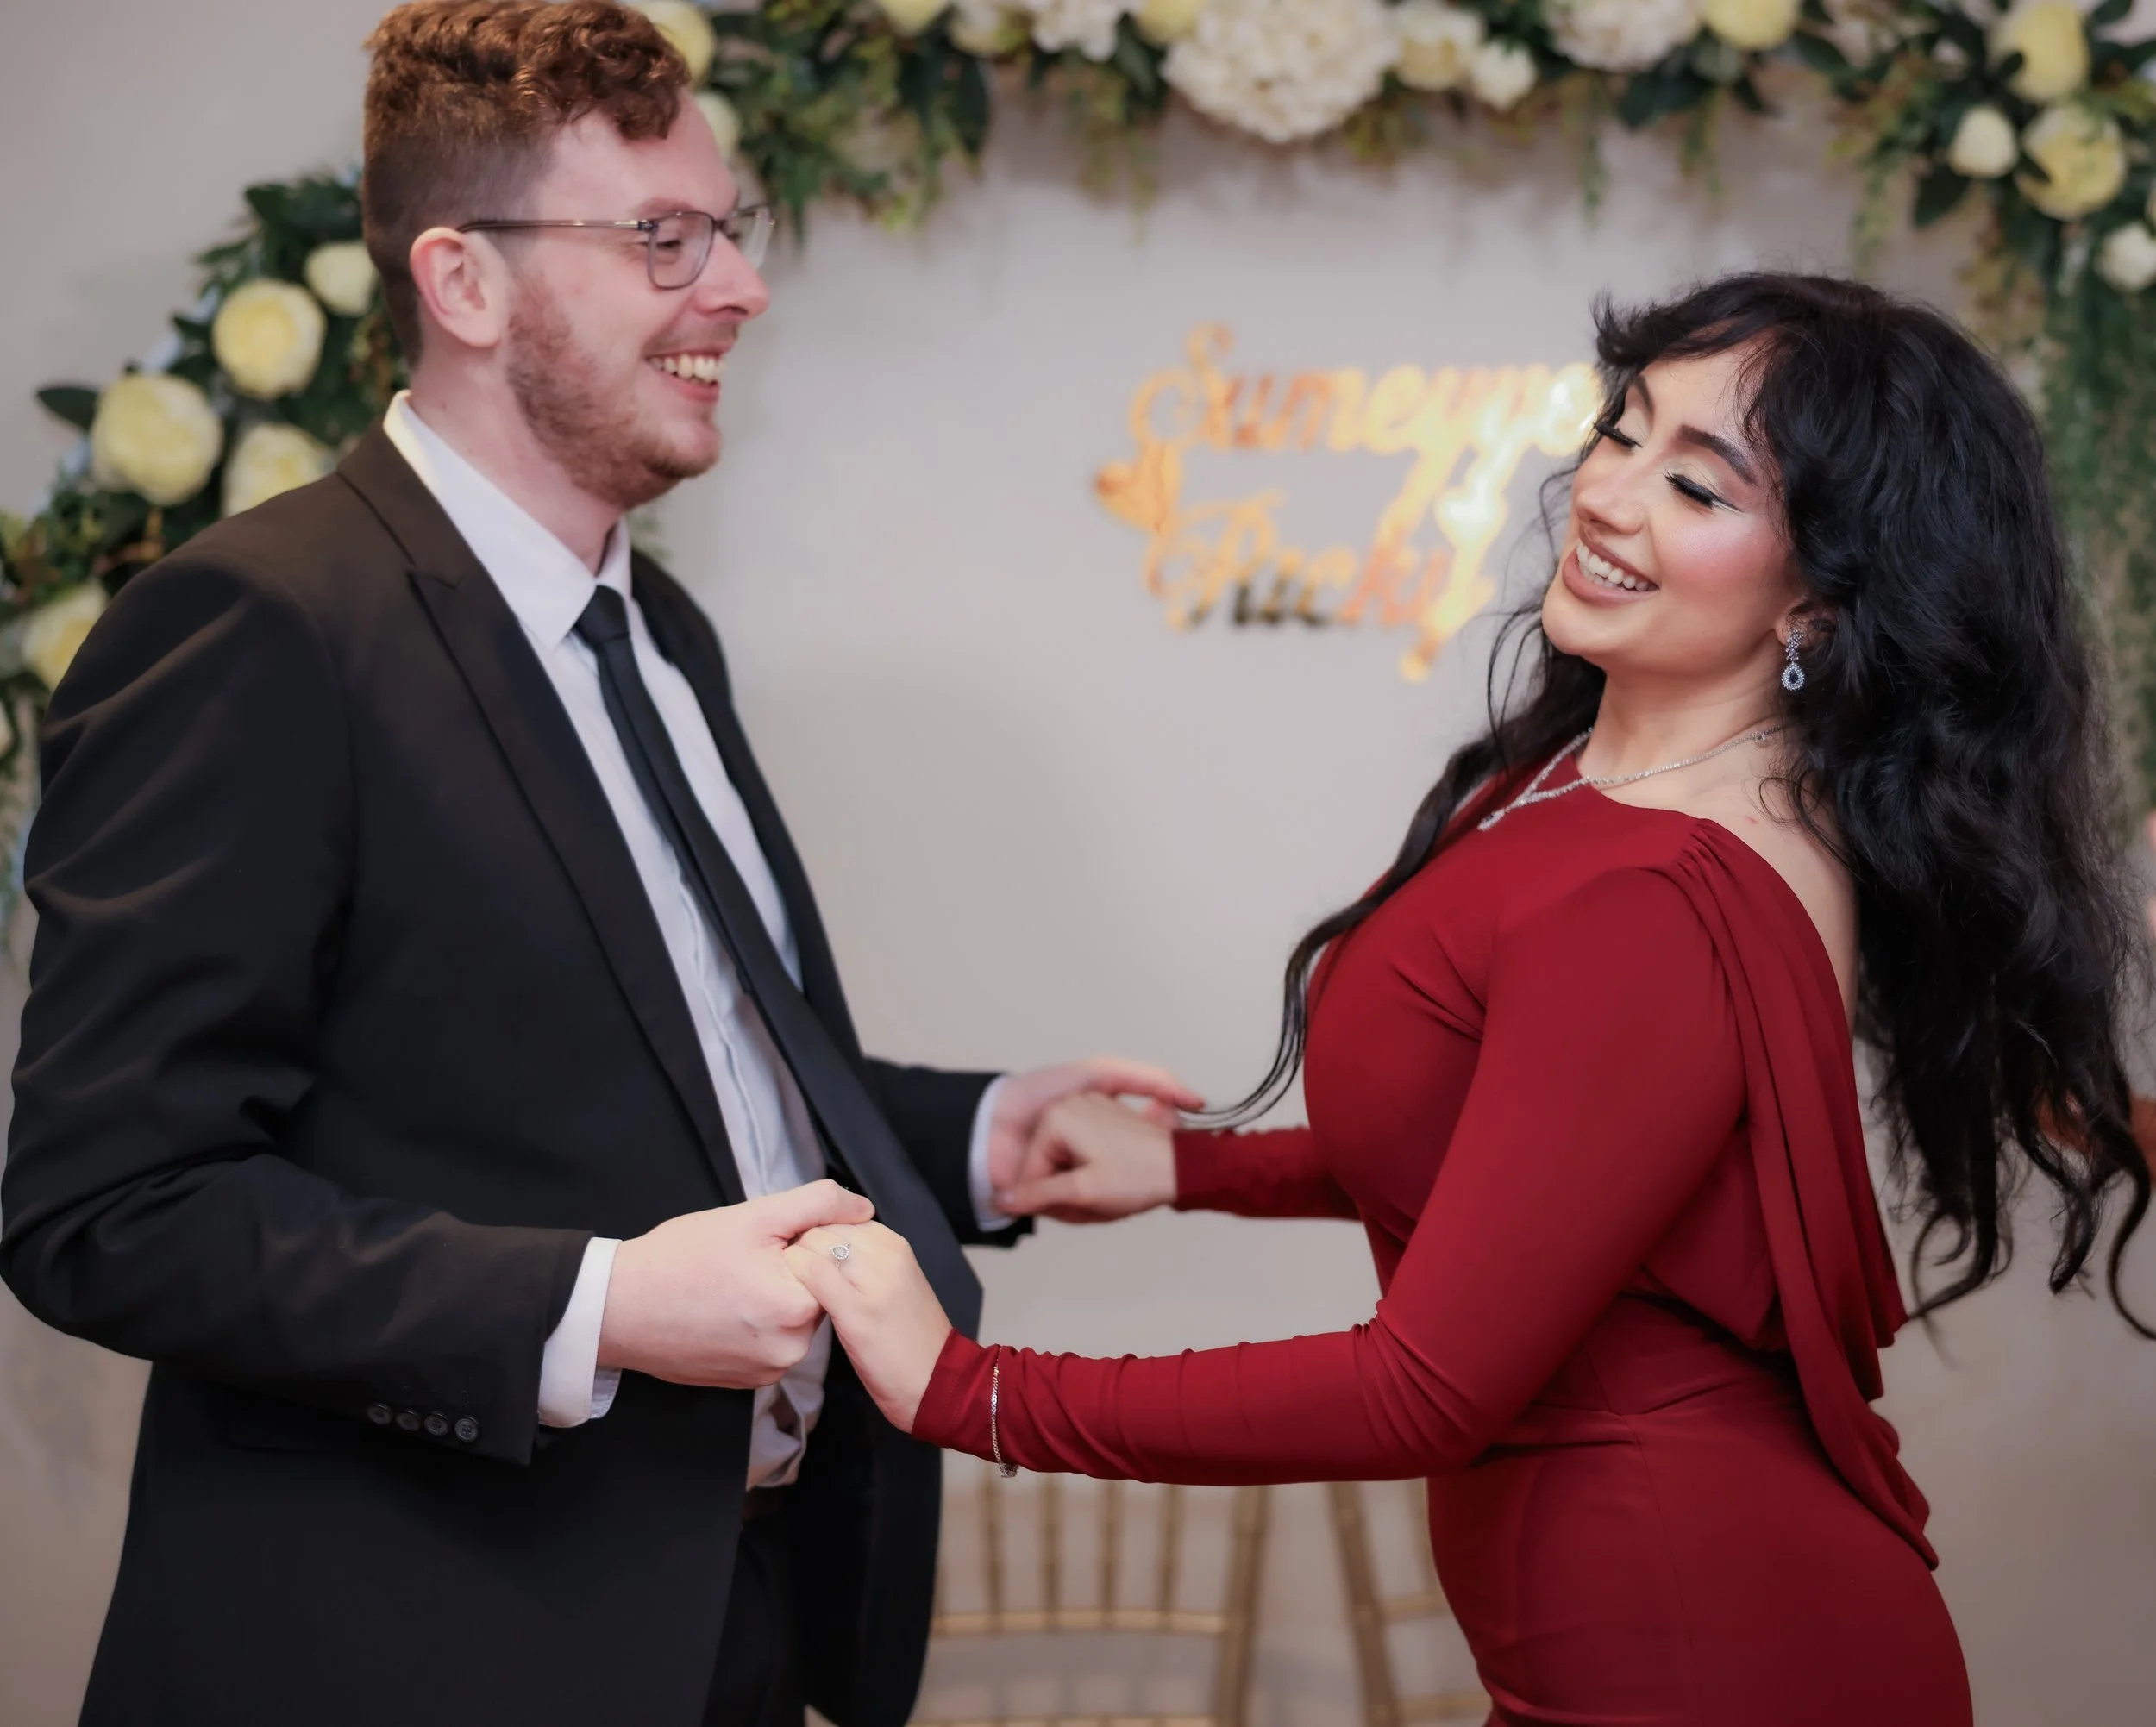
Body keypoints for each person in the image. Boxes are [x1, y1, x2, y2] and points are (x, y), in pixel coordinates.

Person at [0, 6, 1197, 1726]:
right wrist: (598, 1304)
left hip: (728, 1620)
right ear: (464, 284)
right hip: (414, 1651)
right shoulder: (258, 629)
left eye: (725, 231)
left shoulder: (655, 630)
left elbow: (658, 1062)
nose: (735, 289)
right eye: (662, 238)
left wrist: (969, 1135)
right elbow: (109, 1208)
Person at [786, 272, 2154, 1726]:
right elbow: (1532, 1168)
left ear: (1820, 593)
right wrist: (1192, 1166)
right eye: (1622, 433)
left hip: (1706, 1657)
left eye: (1696, 484)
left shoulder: (1661, 893)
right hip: (1616, 1639)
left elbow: (1428, 1385)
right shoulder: (1571, 781)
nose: (1609, 497)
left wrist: (972, 1390)